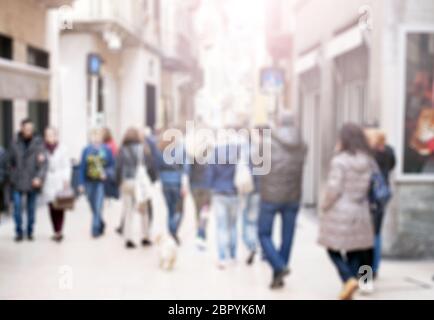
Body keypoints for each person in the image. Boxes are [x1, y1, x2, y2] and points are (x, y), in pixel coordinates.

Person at [318, 123, 375, 300]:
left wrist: (324, 205)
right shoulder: (367, 160)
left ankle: (348, 279)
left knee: (331, 248)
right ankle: (350, 285)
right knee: (354, 250)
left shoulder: (340, 161)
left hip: (340, 211)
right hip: (361, 210)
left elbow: (334, 189)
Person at [258, 113, 307, 289]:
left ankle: (279, 267)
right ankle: (280, 270)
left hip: (270, 197)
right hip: (293, 196)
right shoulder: (302, 144)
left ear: (279, 123)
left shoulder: (266, 143)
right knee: (288, 236)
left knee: (263, 234)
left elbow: (258, 167)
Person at [116, 128, 158, 248]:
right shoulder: (143, 148)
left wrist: (118, 181)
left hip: (127, 182)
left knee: (128, 210)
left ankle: (129, 238)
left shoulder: (122, 149)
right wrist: (152, 179)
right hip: (140, 183)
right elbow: (150, 165)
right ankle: (145, 237)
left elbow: (118, 167)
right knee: (143, 210)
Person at [8, 119, 47, 241]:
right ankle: (19, 231)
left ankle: (30, 231)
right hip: (17, 181)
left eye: (31, 128)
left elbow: (43, 163)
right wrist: (12, 175)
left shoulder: (38, 143)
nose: (29, 131)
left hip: (32, 180)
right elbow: (9, 161)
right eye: (27, 128)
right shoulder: (14, 142)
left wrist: (39, 178)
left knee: (31, 208)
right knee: (17, 207)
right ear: (22, 128)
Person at [365, 128, 396, 278]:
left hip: (370, 198)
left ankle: (366, 275)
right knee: (377, 233)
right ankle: (375, 268)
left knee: (366, 237)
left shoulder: (369, 155)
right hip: (382, 197)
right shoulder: (389, 151)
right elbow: (392, 167)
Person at [209, 135, 240, 269]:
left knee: (221, 226)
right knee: (232, 226)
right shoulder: (238, 153)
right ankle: (232, 255)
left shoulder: (215, 153)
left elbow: (209, 174)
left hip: (219, 193)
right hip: (234, 193)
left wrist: (210, 188)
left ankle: (222, 258)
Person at [78, 128, 114, 238]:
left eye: (98, 135)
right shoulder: (86, 150)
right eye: (94, 135)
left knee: (98, 205)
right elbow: (82, 167)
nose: (96, 137)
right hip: (89, 182)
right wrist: (81, 183)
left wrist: (106, 173)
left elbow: (112, 165)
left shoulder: (106, 149)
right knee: (92, 206)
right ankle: (101, 222)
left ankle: (95, 229)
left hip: (100, 183)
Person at [155, 129, 188, 245]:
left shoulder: (159, 150)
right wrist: (185, 184)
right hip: (177, 183)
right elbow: (186, 167)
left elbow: (157, 167)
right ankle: (173, 231)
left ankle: (171, 233)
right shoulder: (180, 148)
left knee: (170, 210)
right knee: (179, 210)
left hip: (165, 183)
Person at [41, 127, 71, 242]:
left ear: (56, 136)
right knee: (51, 207)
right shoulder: (42, 149)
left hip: (60, 180)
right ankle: (55, 230)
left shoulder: (63, 149)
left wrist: (66, 179)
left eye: (51, 135)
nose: (49, 137)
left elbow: (66, 166)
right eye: (47, 135)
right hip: (48, 180)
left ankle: (59, 231)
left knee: (60, 206)